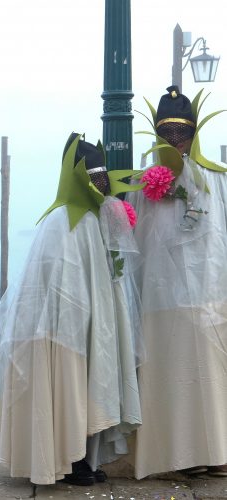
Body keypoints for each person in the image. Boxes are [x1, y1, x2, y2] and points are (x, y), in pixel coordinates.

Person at [0, 133, 144, 486]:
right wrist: (72, 324)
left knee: (89, 384)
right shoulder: (61, 221)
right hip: (57, 333)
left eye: (104, 176)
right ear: (75, 177)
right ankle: (66, 459)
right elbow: (51, 287)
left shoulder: (96, 217)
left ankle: (85, 456)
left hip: (86, 327)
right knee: (69, 387)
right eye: (93, 176)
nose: (101, 183)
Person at [129, 86, 227, 479]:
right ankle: (173, 456)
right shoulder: (142, 185)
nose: (174, 142)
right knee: (168, 379)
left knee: (211, 376)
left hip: (209, 294)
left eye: (181, 134)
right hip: (158, 294)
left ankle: (218, 453)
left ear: (194, 134)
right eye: (166, 135)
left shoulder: (218, 181)